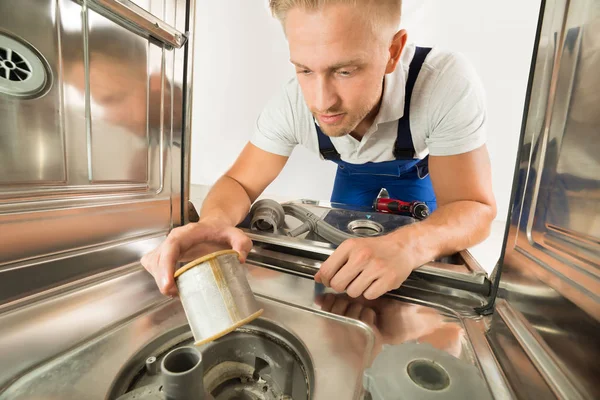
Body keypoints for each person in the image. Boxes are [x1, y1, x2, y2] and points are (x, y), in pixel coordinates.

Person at [141, 0, 497, 299]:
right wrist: (214, 223)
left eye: (345, 70)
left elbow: (473, 208)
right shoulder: (291, 105)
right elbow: (239, 182)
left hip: (415, 177)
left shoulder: (443, 83)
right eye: (305, 69)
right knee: (344, 275)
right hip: (352, 180)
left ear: (392, 52)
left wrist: (412, 244)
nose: (321, 101)